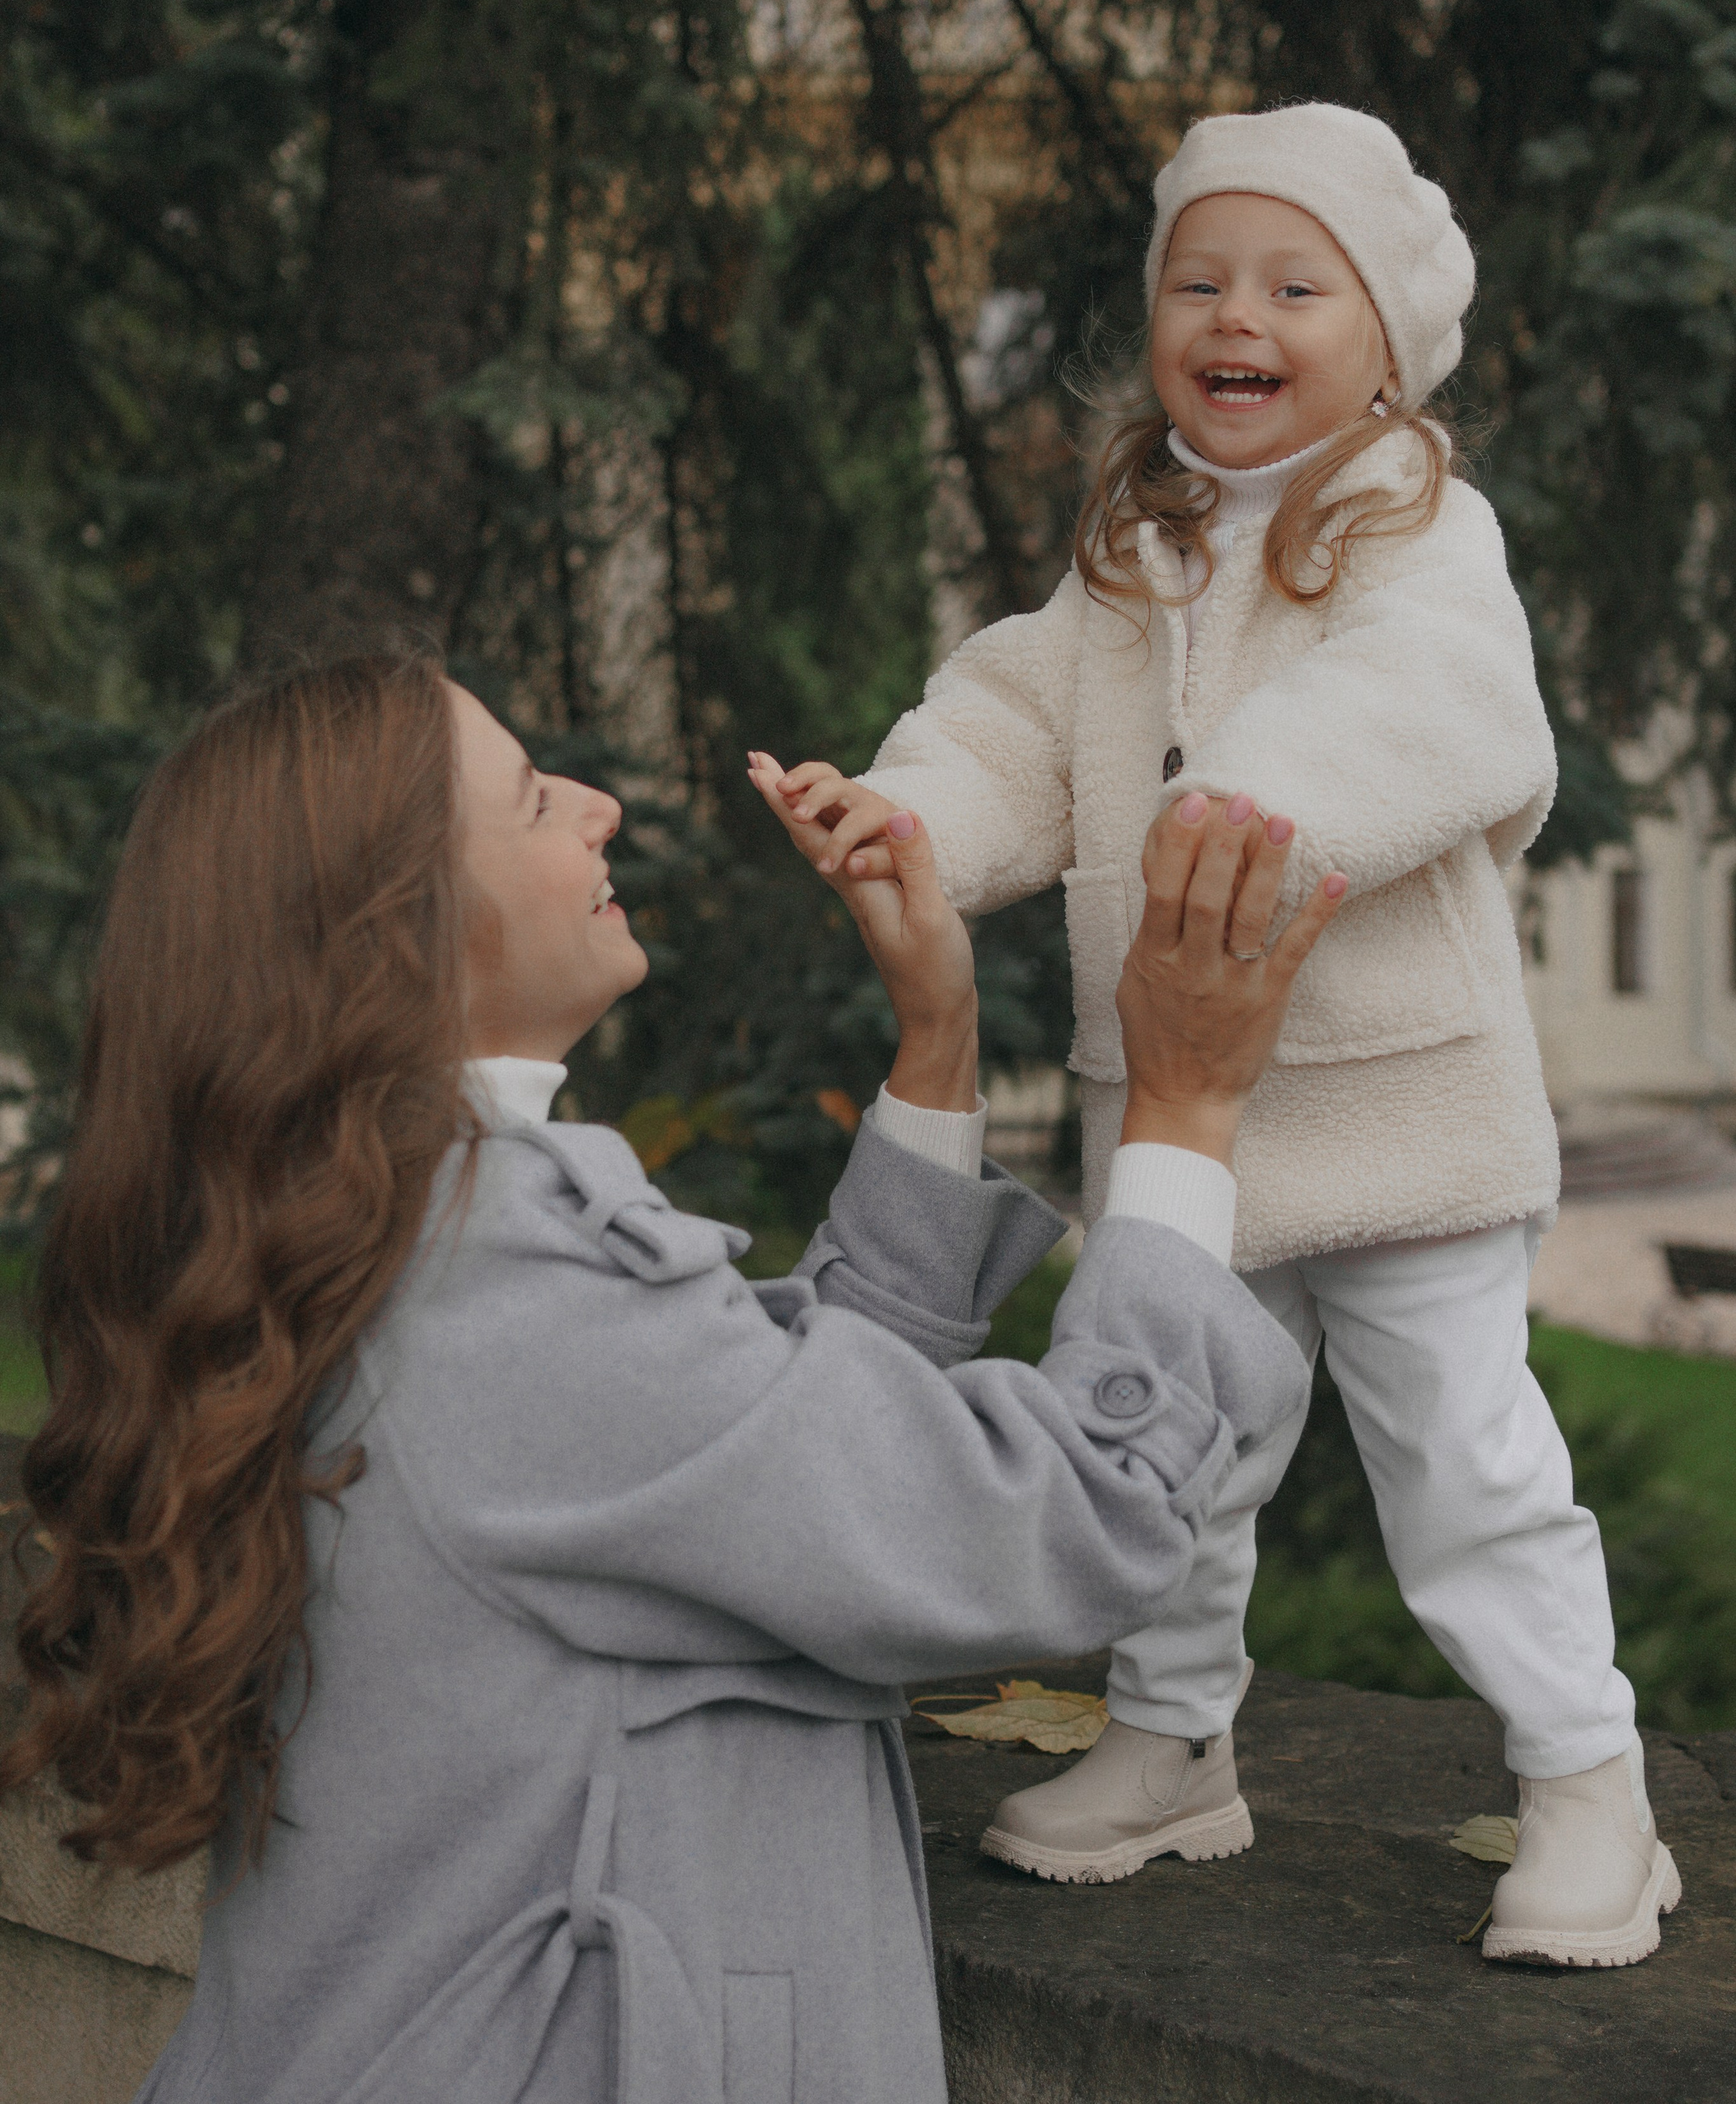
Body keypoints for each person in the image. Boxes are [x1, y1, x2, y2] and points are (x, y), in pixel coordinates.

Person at [5, 648, 1340, 2104]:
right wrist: (1182, 1110)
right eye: (527, 800)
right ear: (399, 924)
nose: (594, 807)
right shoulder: (495, 1284)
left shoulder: (346, 1242)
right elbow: (1067, 1523)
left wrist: (936, 1051)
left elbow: (770, 1483)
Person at [759, 103, 1680, 1970]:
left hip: (1398, 1105)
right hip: (1191, 1123)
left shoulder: (1421, 532)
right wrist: (920, 818)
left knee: (1463, 1463)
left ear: (1387, 342)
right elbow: (1019, 714)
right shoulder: (1137, 548)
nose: (1232, 314)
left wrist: (1243, 798)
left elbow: (1444, 714)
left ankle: (1592, 1785)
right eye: (1198, 280)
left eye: (1290, 284)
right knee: (1183, 1444)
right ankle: (1176, 1740)